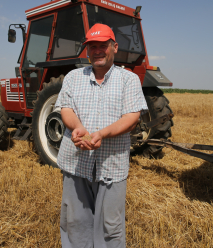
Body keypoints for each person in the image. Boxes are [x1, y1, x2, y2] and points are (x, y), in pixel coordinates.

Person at [55, 23, 148, 248]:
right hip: (76, 163)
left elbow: (131, 117)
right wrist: (77, 128)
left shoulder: (129, 80)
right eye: (92, 46)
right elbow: (65, 108)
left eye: (102, 45)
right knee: (75, 222)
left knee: (110, 226)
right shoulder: (73, 77)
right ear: (87, 50)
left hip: (111, 165)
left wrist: (101, 134)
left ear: (114, 47)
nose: (97, 50)